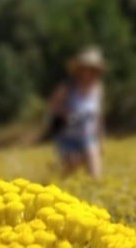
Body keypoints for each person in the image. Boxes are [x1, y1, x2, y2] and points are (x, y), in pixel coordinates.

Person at [48, 46, 105, 178]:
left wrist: (101, 140)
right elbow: (52, 106)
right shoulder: (66, 87)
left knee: (94, 168)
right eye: (84, 69)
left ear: (95, 71)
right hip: (67, 135)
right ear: (78, 70)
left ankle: (94, 194)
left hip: (87, 136)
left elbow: (98, 115)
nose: (87, 73)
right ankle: (58, 184)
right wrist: (68, 113)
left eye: (91, 69)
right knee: (71, 167)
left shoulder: (98, 89)